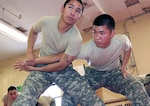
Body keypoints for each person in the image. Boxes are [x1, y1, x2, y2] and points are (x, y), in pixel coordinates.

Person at [15, 14, 150, 106]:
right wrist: (33, 61)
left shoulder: (121, 40)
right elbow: (59, 57)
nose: (97, 37)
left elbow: (128, 48)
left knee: (136, 85)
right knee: (68, 96)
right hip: (93, 75)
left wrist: (124, 67)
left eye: (102, 33)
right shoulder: (86, 48)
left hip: (114, 73)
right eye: (94, 32)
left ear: (112, 34)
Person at [13, 0, 103, 106]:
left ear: (79, 17)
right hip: (42, 67)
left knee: (90, 98)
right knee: (25, 98)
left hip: (64, 70)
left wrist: (34, 68)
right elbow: (33, 31)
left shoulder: (76, 38)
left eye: (78, 11)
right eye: (70, 7)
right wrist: (29, 53)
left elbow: (60, 65)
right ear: (62, 9)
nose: (73, 12)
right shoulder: (46, 21)